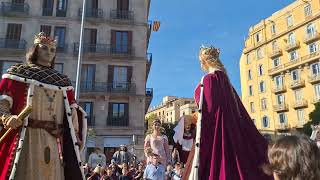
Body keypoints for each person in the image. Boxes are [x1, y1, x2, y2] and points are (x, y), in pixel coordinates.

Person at [0, 32, 87, 179]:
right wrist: (7, 117)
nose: (49, 52)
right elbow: (3, 102)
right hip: (27, 138)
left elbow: (72, 112)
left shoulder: (63, 82)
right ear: (35, 49)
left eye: (52, 50)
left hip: (54, 140)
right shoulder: (17, 74)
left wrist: (75, 135)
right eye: (44, 48)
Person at [184, 46, 272, 180]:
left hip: (216, 134)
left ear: (205, 61)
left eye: (201, 62)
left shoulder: (208, 79)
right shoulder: (227, 82)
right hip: (233, 134)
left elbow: (209, 109)